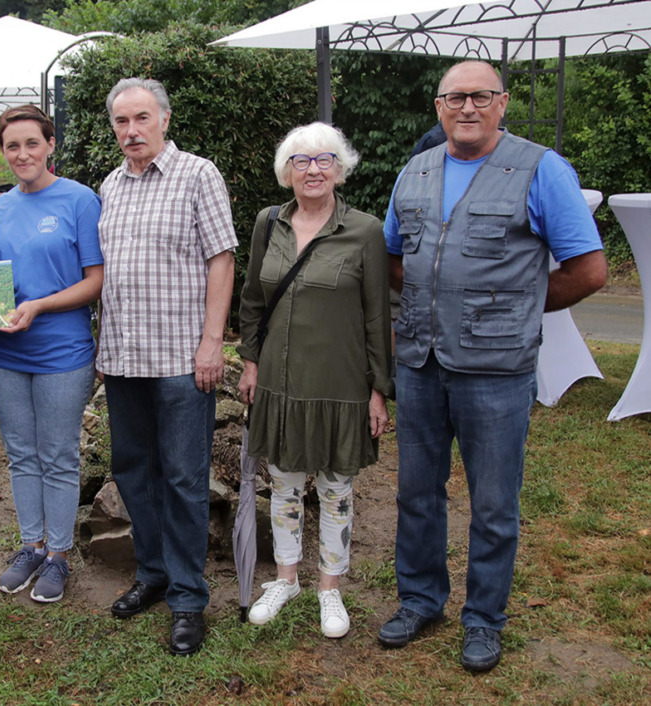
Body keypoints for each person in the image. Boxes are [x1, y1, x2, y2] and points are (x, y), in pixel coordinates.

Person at [378, 60, 607, 672]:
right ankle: (421, 600)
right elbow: (393, 259)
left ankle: (483, 620)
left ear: (502, 103)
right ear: (438, 107)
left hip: (497, 369)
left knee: (494, 503)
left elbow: (589, 269)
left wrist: (521, 307)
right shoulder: (416, 171)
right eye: (455, 97)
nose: (468, 108)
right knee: (416, 493)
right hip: (421, 363)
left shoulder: (540, 168)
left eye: (481, 96)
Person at [97, 77, 237, 656]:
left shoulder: (198, 174)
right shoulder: (109, 185)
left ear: (164, 120)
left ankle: (187, 597)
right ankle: (152, 574)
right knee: (133, 470)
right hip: (125, 359)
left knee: (183, 478)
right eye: (121, 122)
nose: (131, 131)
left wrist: (213, 343)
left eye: (141, 119)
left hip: (182, 358)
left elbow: (222, 260)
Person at [236, 123, 393, 638]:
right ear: (287, 172)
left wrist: (377, 389)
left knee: (334, 489)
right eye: (301, 161)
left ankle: (330, 589)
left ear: (340, 169)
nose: (313, 170)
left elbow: (377, 314)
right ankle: (284, 579)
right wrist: (251, 363)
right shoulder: (267, 223)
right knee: (281, 484)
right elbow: (254, 301)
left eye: (324, 159)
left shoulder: (365, 230)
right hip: (279, 382)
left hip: (339, 385)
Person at [0, 105, 104, 603]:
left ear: (51, 144)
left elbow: (95, 282)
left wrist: (38, 306)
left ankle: (58, 556)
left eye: (32, 143)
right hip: (3, 352)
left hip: (62, 352)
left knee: (58, 454)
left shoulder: (79, 200)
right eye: (12, 146)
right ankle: (29, 546)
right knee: (20, 454)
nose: (23, 153)